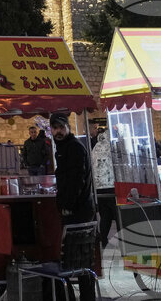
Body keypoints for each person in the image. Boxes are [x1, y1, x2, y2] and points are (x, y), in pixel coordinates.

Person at [50, 113, 95, 300]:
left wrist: (67, 205)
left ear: (68, 127)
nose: (58, 131)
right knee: (77, 258)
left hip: (79, 212)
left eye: (61, 127)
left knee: (76, 258)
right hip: (78, 209)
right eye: (55, 128)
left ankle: (83, 296)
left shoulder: (74, 148)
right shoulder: (63, 148)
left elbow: (76, 179)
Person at [91, 128, 116, 248]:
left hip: (99, 186)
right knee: (118, 215)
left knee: (105, 215)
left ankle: (104, 240)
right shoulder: (112, 145)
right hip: (111, 185)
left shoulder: (96, 146)